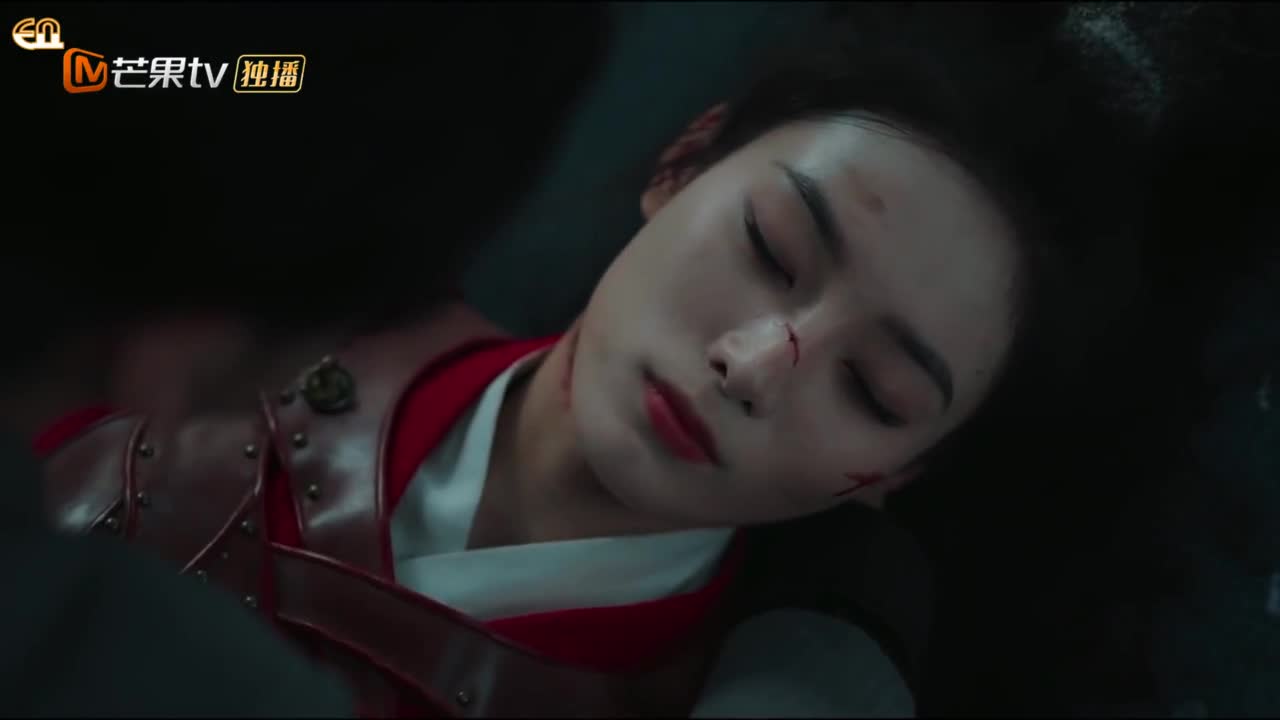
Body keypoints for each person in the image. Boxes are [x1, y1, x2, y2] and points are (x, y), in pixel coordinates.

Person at [16, 3, 1158, 716]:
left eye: (873, 390)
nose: (753, 365)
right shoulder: (285, 301)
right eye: (769, 248)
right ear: (683, 161)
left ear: (896, 473)